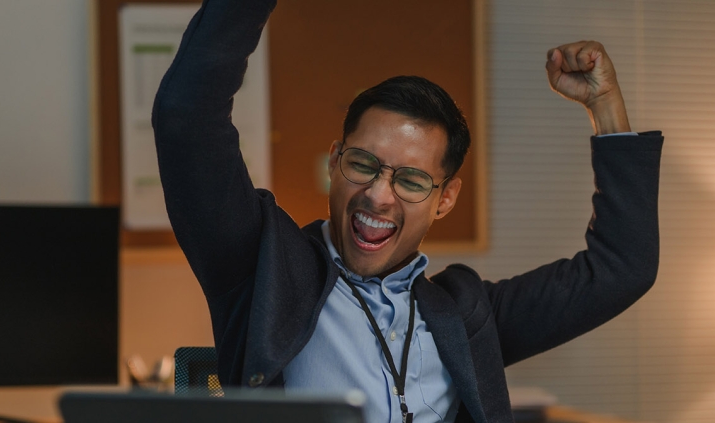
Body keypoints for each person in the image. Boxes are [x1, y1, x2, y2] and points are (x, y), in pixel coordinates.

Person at [151, 0, 663, 422]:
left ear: (446, 199)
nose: (379, 195)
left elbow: (621, 269)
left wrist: (606, 108)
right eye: (363, 164)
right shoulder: (261, 268)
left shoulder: (466, 315)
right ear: (334, 161)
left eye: (412, 181)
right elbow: (186, 118)